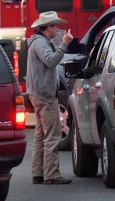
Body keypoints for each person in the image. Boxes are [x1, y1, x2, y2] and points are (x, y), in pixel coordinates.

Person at [27, 11, 73, 185]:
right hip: (45, 95)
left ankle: (38, 173)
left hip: (37, 93)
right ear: (49, 27)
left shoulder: (37, 42)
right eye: (56, 26)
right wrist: (64, 45)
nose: (58, 29)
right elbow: (51, 61)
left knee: (40, 135)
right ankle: (52, 174)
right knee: (53, 135)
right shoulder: (41, 43)